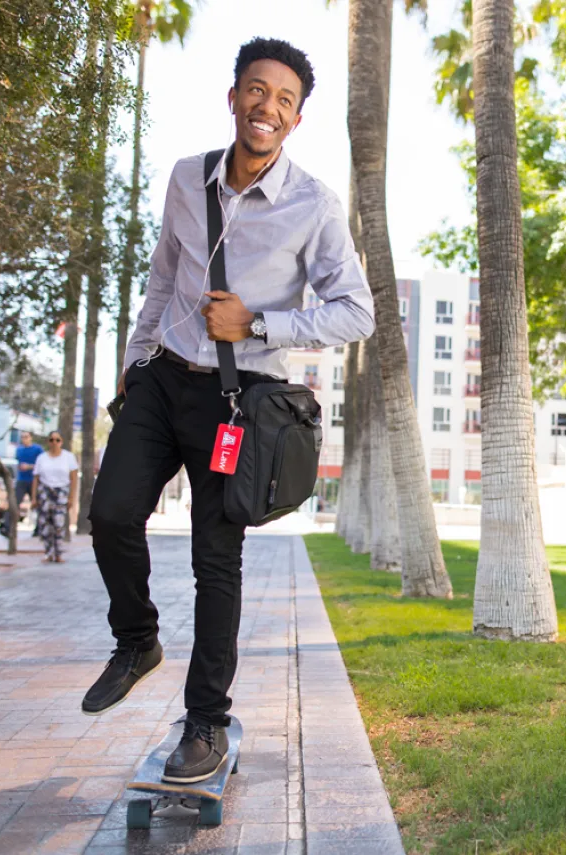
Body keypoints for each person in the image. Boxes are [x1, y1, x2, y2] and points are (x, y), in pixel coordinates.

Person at [83, 37, 374, 785]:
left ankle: (205, 722)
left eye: (283, 99)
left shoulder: (314, 205)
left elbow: (356, 312)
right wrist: (132, 364)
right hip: (160, 379)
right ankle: (137, 638)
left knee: (217, 562)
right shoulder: (187, 178)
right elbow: (161, 278)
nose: (266, 107)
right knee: (112, 513)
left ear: (296, 119)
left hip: (237, 400)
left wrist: (260, 324)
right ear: (233, 96)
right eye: (256, 90)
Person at [32, 432, 79, 563]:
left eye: (57, 440)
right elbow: (36, 478)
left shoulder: (68, 457)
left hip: (61, 492)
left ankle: (58, 553)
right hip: (45, 491)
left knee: (58, 523)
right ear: (48, 442)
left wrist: (71, 498)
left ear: (61, 441)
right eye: (51, 440)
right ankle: (48, 553)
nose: (54, 442)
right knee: (45, 524)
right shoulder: (42, 458)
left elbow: (74, 478)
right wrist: (34, 498)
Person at [14, 431, 43, 536]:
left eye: (26, 437)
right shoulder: (19, 449)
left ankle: (39, 528)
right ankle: (9, 527)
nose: (24, 439)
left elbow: (42, 464)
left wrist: (29, 466)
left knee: (37, 504)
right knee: (14, 502)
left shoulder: (37, 449)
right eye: (22, 437)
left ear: (31, 438)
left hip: (34, 481)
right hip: (21, 480)